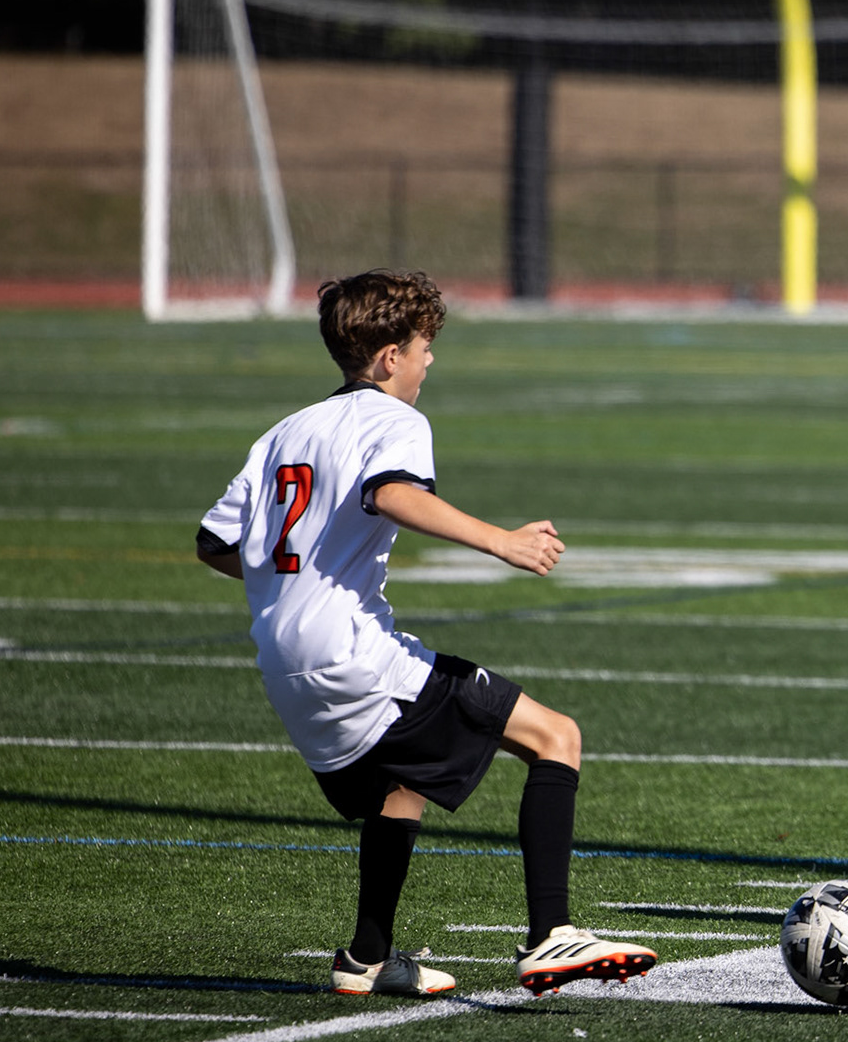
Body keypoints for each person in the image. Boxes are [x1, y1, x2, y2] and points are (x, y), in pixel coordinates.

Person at [196, 269, 655, 997]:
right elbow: (391, 493)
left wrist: (296, 583)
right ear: (387, 358)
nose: (429, 361)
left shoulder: (284, 432)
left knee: (399, 788)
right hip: (352, 654)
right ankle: (551, 936)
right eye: (422, 347)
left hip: (284, 667)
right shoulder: (396, 421)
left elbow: (215, 543)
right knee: (555, 737)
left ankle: (365, 960)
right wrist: (501, 541)